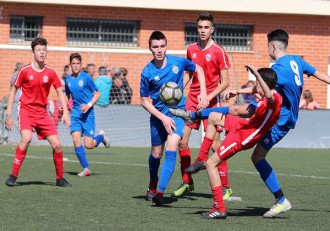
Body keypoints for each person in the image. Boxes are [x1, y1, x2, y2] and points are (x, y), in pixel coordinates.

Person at [223, 29, 330, 218]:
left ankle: (281, 200)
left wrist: (236, 92)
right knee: (253, 142)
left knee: (257, 157)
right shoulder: (296, 60)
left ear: (272, 46)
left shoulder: (278, 70)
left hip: (280, 121)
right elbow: (320, 74)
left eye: (267, 47)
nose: (267, 50)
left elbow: (262, 89)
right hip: (283, 118)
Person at [140, 31, 208, 206]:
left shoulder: (178, 62)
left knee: (172, 146)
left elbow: (198, 69)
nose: (159, 50)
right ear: (150, 48)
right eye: (155, 47)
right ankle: (153, 184)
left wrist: (203, 93)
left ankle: (159, 193)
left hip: (178, 113)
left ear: (166, 46)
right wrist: (162, 117)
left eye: (162, 46)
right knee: (156, 154)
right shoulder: (147, 72)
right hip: (158, 116)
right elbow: (144, 101)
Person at [172, 11, 232, 199]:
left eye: (206, 27)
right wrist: (180, 89)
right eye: (200, 27)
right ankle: (187, 182)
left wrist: (209, 97)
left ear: (212, 29)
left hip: (212, 102)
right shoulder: (191, 49)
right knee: (182, 141)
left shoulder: (219, 51)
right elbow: (190, 72)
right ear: (196, 28)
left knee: (215, 144)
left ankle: (225, 186)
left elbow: (225, 82)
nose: (203, 30)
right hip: (192, 100)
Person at [5, 37, 71, 187]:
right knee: (26, 139)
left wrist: (66, 112)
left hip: (42, 112)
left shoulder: (51, 72)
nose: (42, 53)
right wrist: (9, 114)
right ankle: (13, 175)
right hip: (26, 111)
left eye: (44, 50)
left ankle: (60, 179)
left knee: (57, 145)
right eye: (39, 50)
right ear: (33, 52)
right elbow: (13, 90)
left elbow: (60, 92)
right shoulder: (25, 71)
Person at [65, 53, 111, 177]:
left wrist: (88, 105)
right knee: (75, 140)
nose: (75, 66)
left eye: (77, 63)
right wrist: (64, 109)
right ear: (71, 65)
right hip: (75, 115)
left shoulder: (86, 78)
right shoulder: (68, 80)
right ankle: (86, 169)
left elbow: (97, 94)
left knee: (88, 145)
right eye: (73, 63)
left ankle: (101, 137)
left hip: (88, 115)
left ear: (81, 65)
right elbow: (67, 96)